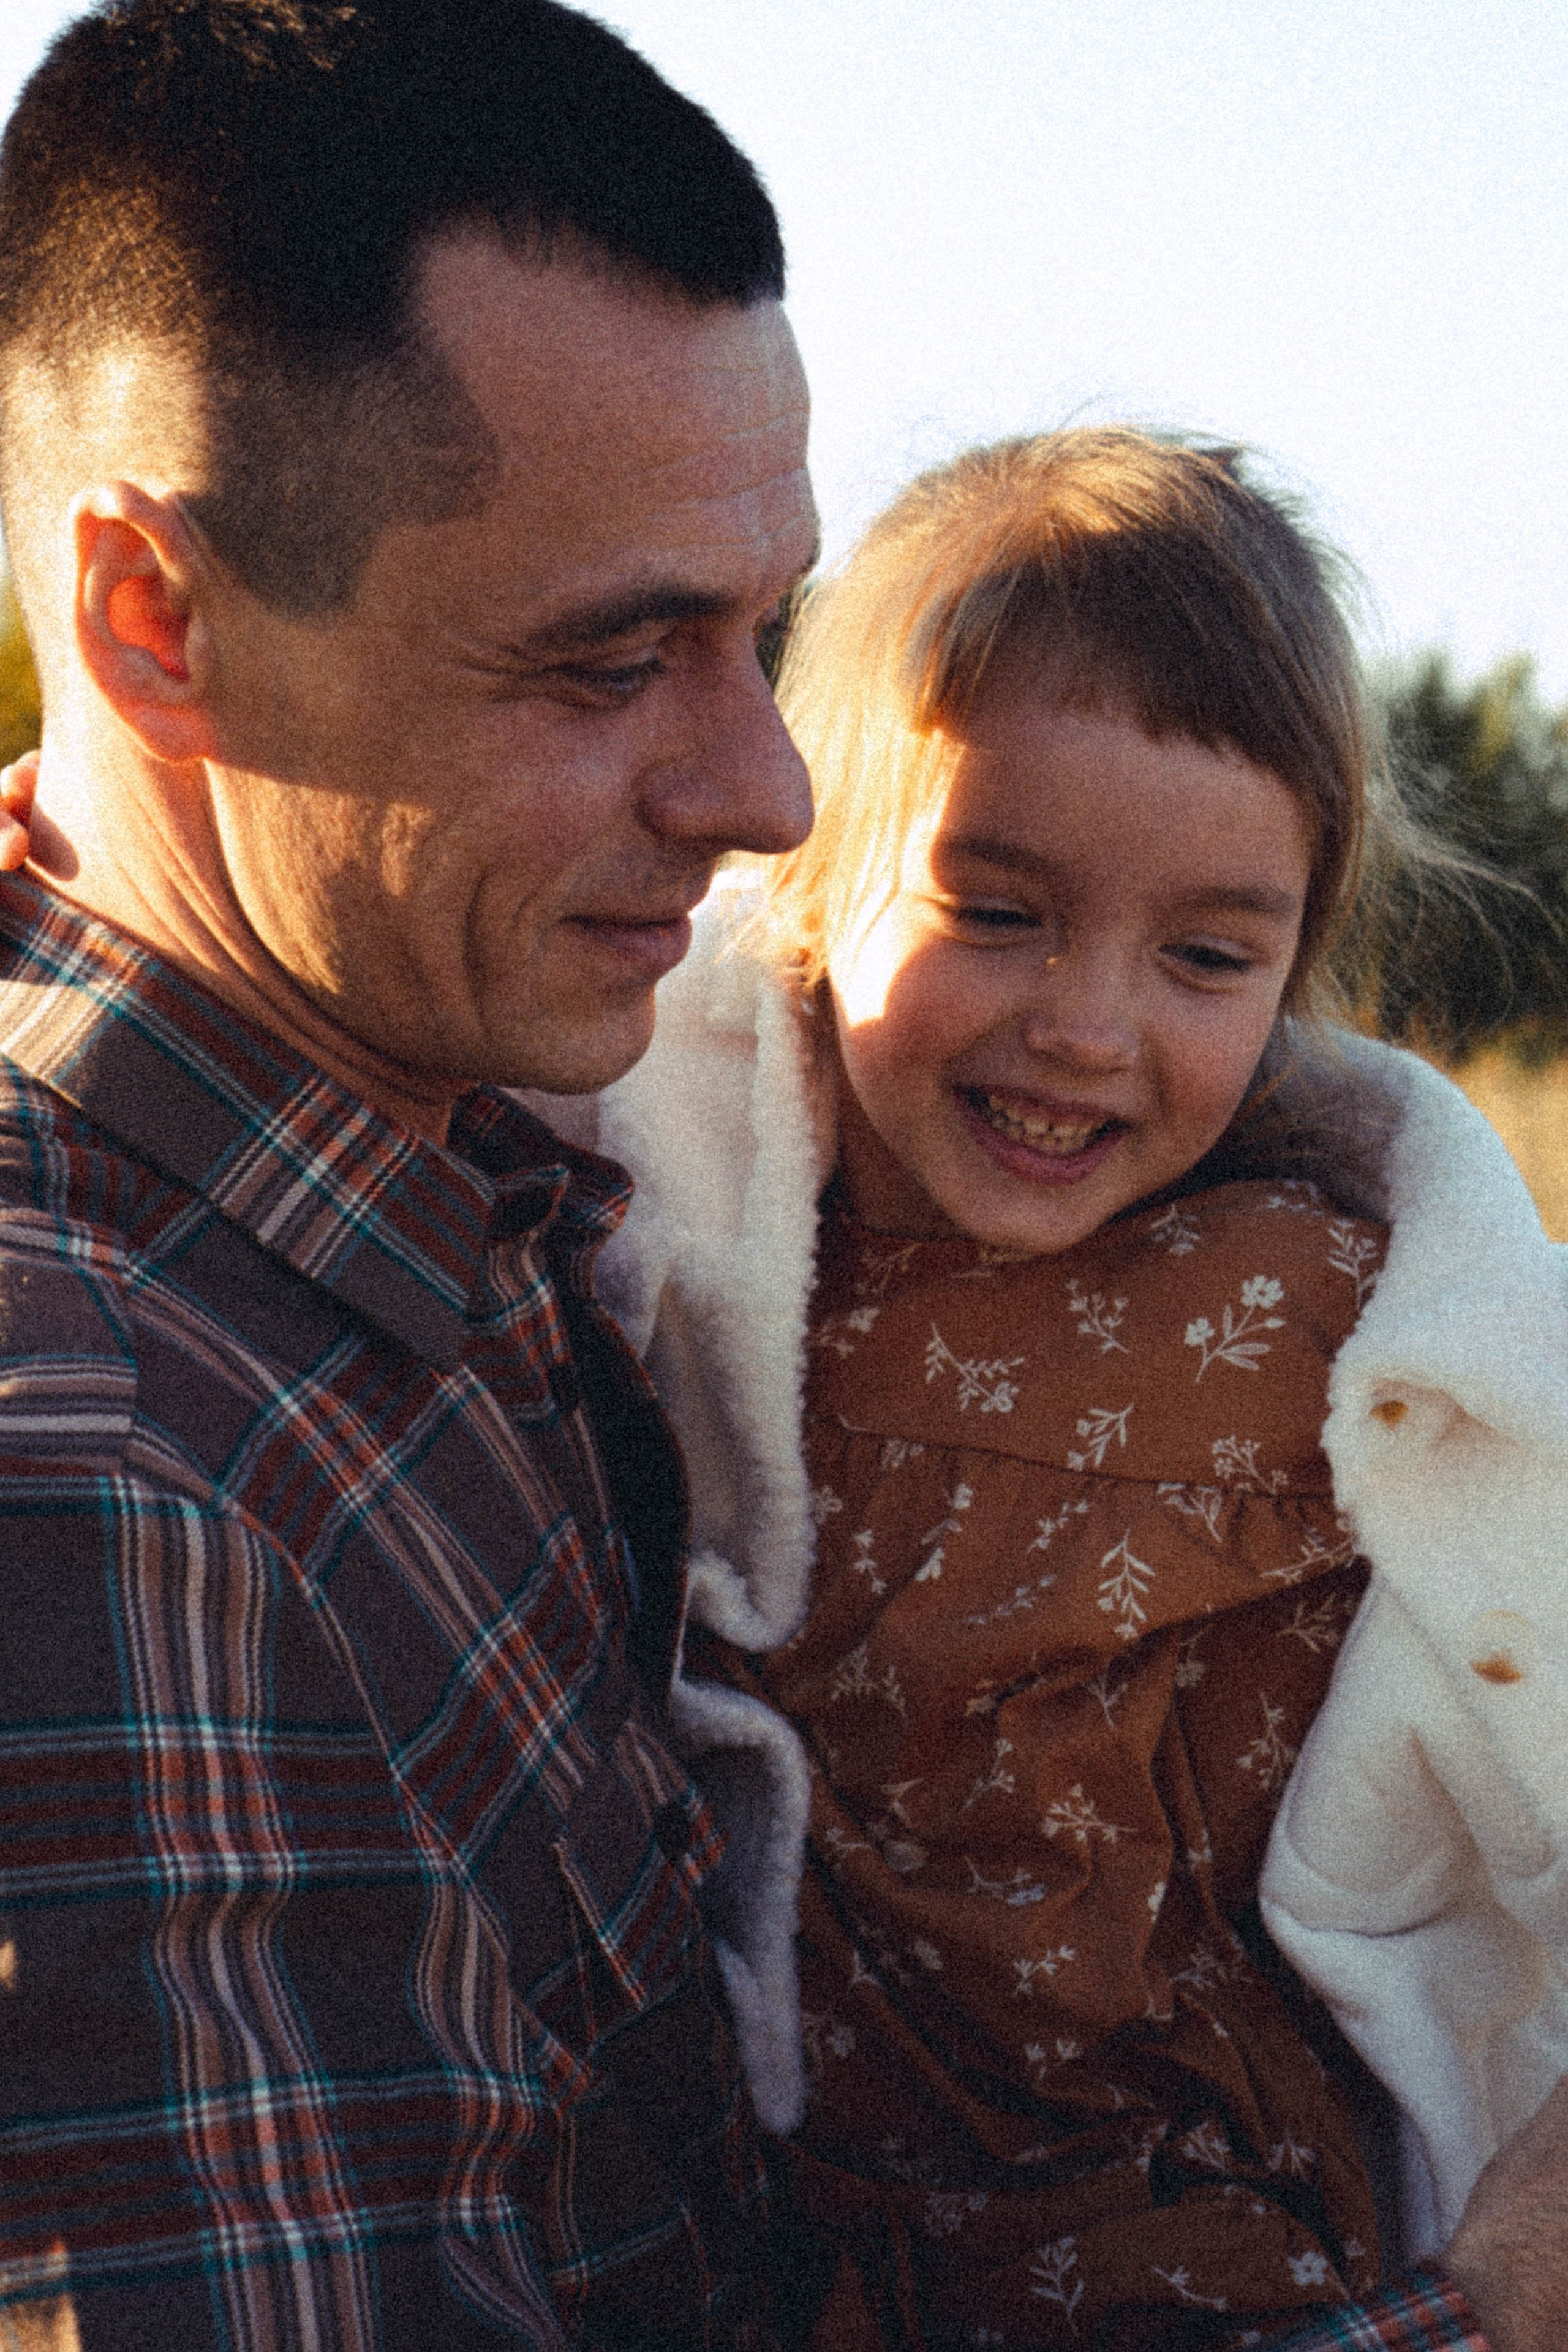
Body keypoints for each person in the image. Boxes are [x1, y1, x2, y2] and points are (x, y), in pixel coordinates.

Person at [544, 428, 1568, 2351]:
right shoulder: (667, 1200)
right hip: (783, 2224)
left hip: (1186, 2212)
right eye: (998, 911)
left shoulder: (1314, 1320)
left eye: (1207, 955)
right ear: (815, 872)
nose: (1091, 1027)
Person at [0, 1, 817, 2343]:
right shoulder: (91, 1490)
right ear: (158, 624)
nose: (771, 793)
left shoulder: (457, 1142)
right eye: (614, 660)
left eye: (769, 630)